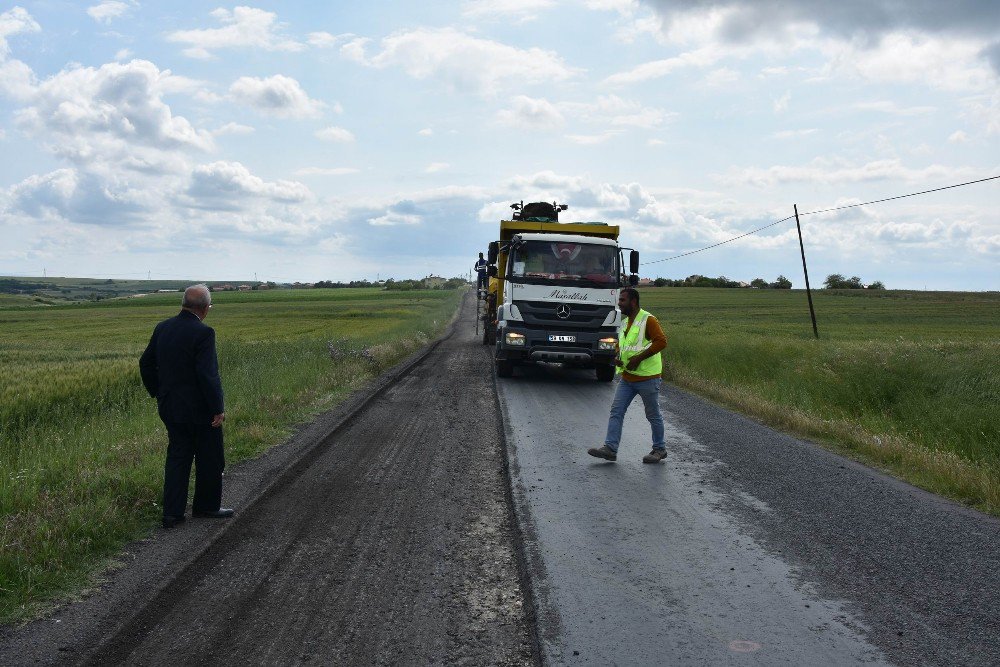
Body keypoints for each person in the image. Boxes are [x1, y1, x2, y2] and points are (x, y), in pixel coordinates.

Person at [139, 284, 233, 528]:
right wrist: (218, 407)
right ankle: (206, 507)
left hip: (171, 407)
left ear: (183, 304)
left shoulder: (163, 328)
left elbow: (145, 364)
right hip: (200, 410)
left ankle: (172, 514)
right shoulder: (204, 333)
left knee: (178, 458)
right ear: (204, 308)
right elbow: (207, 375)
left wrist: (159, 392)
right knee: (210, 457)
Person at [588, 287, 668, 464]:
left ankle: (659, 449)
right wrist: (618, 356)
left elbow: (661, 341)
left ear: (633, 301)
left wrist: (638, 359)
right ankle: (610, 449)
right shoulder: (625, 323)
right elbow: (623, 345)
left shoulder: (648, 320)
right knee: (616, 411)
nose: (619, 304)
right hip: (628, 377)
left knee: (652, 414)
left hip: (648, 377)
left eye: (622, 300)